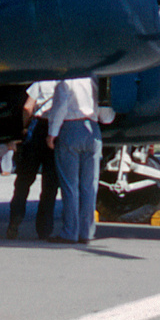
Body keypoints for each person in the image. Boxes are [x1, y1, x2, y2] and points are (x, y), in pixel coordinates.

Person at [46, 77, 114, 244]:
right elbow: (107, 117)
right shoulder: (97, 81)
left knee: (70, 186)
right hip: (93, 129)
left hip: (71, 128)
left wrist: (52, 132)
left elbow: (60, 107)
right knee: (89, 185)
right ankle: (87, 231)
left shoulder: (67, 80)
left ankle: (70, 231)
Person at [8, 80, 58, 239]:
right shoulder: (65, 84)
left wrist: (25, 125)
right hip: (55, 130)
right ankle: (44, 229)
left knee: (23, 180)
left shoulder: (41, 82)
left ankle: (15, 219)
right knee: (50, 185)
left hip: (37, 127)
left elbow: (27, 107)